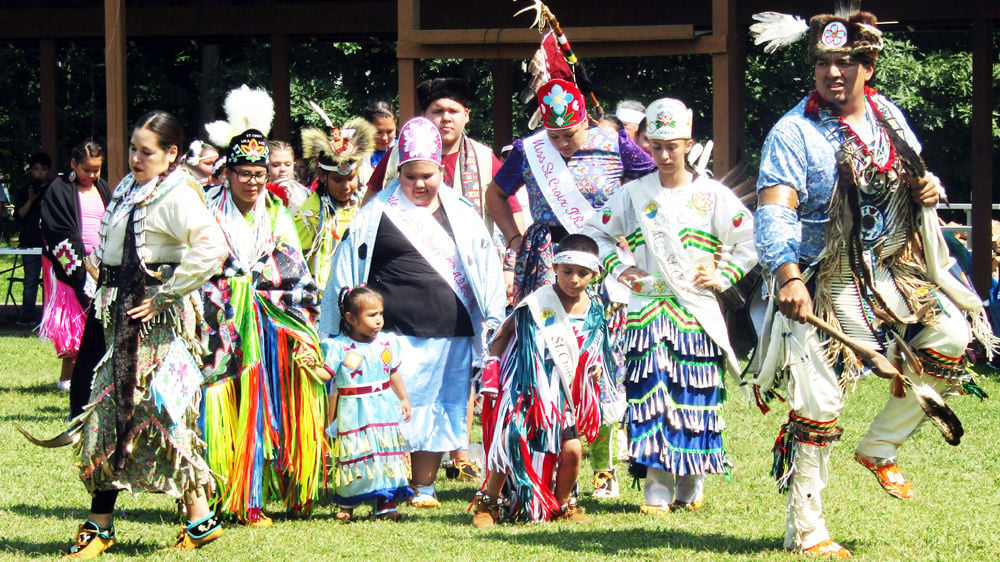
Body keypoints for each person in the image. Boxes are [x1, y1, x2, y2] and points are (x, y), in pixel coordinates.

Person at [749, 10, 997, 557]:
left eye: (844, 62)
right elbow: (774, 212)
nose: (832, 73)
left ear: (869, 65)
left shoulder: (887, 115)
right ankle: (807, 530)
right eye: (822, 63)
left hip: (888, 271)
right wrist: (787, 274)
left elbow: (915, 174)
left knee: (953, 338)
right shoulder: (794, 132)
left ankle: (880, 446)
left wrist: (929, 187)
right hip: (817, 276)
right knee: (818, 399)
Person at [29, 111, 230, 557]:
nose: (136, 158)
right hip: (118, 315)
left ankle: (100, 526)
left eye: (147, 151)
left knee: (116, 412)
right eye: (134, 148)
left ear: (172, 154)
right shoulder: (129, 187)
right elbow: (108, 247)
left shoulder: (178, 193)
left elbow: (212, 246)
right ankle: (199, 519)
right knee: (149, 416)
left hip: (151, 324)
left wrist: (166, 294)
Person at [323, 117, 506, 508]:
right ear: (398, 172)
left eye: (427, 176)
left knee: (438, 407)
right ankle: (384, 480)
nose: (419, 185)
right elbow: (348, 269)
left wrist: (492, 318)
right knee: (387, 408)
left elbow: (485, 264)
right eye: (410, 177)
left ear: (441, 170)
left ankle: (424, 485)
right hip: (390, 332)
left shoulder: (462, 213)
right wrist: (342, 324)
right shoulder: (376, 214)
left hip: (450, 327)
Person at [585, 98, 757, 514]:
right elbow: (596, 231)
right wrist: (619, 268)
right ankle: (656, 489)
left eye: (672, 146)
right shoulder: (634, 193)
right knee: (651, 395)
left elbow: (748, 241)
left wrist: (724, 275)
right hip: (647, 311)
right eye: (656, 146)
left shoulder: (712, 195)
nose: (663, 155)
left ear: (688, 145)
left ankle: (691, 483)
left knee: (691, 394)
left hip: (694, 313)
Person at [204, 128, 330, 526]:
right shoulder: (206, 208)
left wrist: (303, 320)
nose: (253, 182)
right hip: (219, 323)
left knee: (284, 398)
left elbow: (294, 265)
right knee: (226, 407)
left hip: (273, 315)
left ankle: (285, 490)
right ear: (226, 172)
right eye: (244, 173)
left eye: (259, 174)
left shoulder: (275, 209)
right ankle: (225, 496)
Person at [472, 235, 616, 526]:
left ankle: (562, 504)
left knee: (572, 450)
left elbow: (595, 345)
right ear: (554, 267)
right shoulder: (538, 301)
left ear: (594, 273)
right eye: (567, 272)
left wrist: (597, 367)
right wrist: (492, 369)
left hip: (563, 393)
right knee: (510, 440)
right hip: (526, 386)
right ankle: (489, 504)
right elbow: (504, 335)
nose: (573, 279)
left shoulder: (595, 307)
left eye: (582, 273)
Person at [485, 78, 655, 304]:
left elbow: (654, 182)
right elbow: (495, 194)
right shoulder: (529, 151)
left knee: (599, 325)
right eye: (553, 136)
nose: (562, 143)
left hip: (601, 251)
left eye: (569, 134)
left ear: (585, 123)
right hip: (546, 256)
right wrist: (514, 239)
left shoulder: (614, 144)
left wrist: (634, 227)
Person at [323, 286, 412, 522]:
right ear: (351, 318)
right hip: (354, 409)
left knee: (385, 453)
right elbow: (325, 374)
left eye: (381, 314)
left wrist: (403, 397)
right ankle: (347, 503)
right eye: (372, 315)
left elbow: (392, 373)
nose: (379, 320)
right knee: (355, 453)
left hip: (382, 407)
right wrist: (307, 363)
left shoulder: (386, 343)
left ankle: (386, 503)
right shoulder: (338, 346)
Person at [38, 140, 110, 393]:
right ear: (73, 164)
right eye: (87, 169)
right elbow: (54, 228)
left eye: (97, 169)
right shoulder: (59, 190)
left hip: (99, 263)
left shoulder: (103, 189)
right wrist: (78, 263)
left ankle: (94, 375)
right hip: (68, 265)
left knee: (98, 322)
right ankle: (67, 378)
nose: (92, 175)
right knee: (72, 321)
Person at [296, 117, 375, 297]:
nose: (346, 186)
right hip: (321, 294)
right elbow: (296, 254)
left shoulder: (363, 206)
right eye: (338, 180)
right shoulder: (312, 212)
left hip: (357, 291)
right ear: (323, 177)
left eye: (351, 178)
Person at [13, 151, 51, 323]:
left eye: (43, 169)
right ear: (31, 171)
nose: (40, 173)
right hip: (29, 240)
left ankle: (48, 314)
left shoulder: (53, 189)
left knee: (50, 281)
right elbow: (19, 215)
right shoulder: (24, 189)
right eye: (36, 169)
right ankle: (28, 315)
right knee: (31, 279)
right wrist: (31, 200)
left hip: (48, 242)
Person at [266, 139, 310, 214]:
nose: (283, 169)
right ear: (266, 166)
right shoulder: (259, 194)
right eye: (276, 165)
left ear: (294, 165)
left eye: (287, 164)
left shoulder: (305, 193)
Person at [362, 100, 397, 172]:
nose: (385, 138)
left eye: (390, 131)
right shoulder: (356, 154)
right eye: (378, 132)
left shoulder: (401, 151)